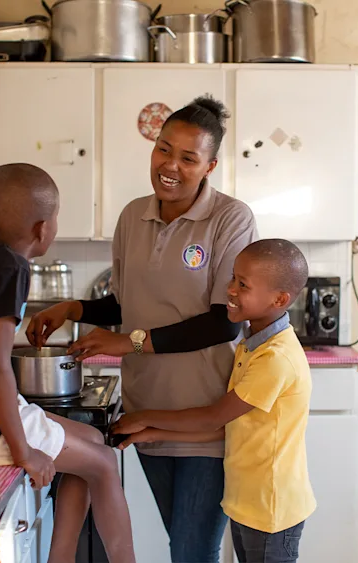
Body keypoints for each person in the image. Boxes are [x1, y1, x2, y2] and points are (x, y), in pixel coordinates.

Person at [26, 95, 258, 562]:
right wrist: (73, 308)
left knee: (193, 551)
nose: (170, 165)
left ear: (210, 165)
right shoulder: (134, 215)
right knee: (181, 545)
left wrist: (129, 342)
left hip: (205, 417)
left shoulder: (230, 219)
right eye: (163, 149)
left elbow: (223, 323)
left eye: (188, 158)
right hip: (146, 411)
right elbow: (128, 303)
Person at [0, 163, 135, 563]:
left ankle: (60, 558)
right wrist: (24, 452)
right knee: (103, 463)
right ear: (41, 228)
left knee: (95, 440)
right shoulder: (11, 267)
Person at [112, 239, 316, 563]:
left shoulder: (276, 359)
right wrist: (152, 432)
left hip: (271, 509)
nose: (230, 290)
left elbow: (213, 418)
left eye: (243, 284)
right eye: (233, 278)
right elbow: (228, 431)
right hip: (249, 504)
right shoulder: (252, 346)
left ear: (279, 299)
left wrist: (144, 416)